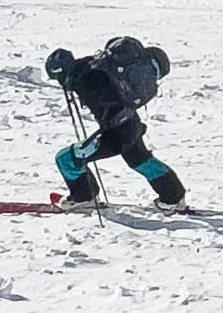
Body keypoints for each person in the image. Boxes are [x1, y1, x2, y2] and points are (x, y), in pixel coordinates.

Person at [44, 40, 185, 206]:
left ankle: (84, 199)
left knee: (67, 159)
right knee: (139, 159)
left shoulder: (85, 79)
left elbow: (103, 97)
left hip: (116, 135)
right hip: (131, 124)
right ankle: (173, 197)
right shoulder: (92, 67)